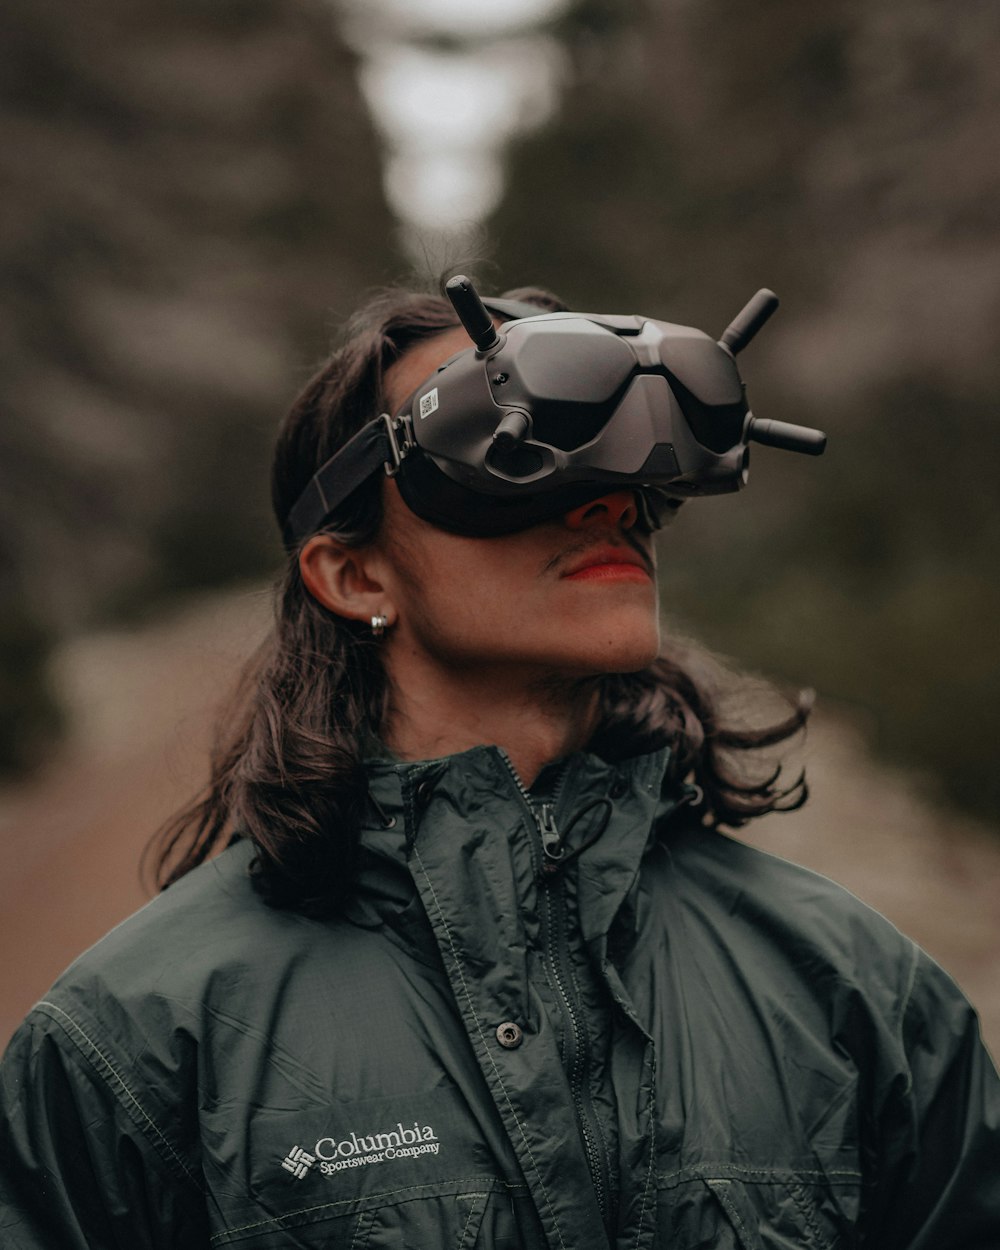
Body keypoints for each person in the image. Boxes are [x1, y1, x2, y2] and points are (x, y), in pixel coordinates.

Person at [1, 282, 998, 1249]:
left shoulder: (857, 992)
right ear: (353, 573)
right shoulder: (134, 1046)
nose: (609, 503)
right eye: (506, 447)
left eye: (624, 470)